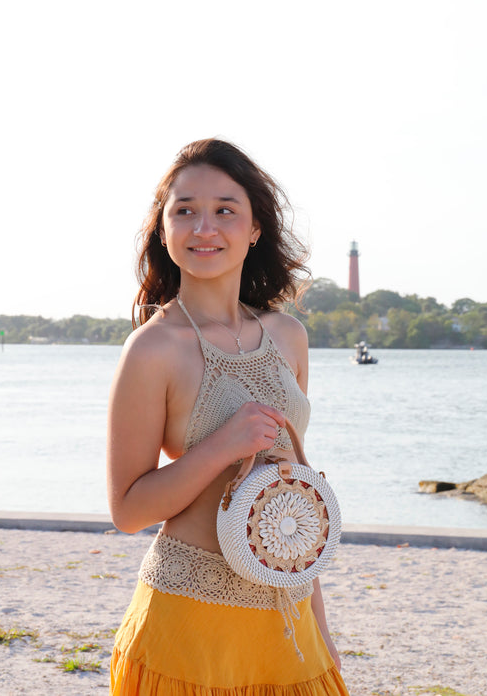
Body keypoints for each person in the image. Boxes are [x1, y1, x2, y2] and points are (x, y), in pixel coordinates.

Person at [107, 138, 349, 695]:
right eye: (185, 211)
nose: (204, 228)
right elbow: (127, 509)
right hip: (187, 628)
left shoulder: (288, 336)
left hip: (289, 628)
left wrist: (323, 632)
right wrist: (223, 445)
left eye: (225, 210)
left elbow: (293, 496)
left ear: (255, 228)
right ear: (164, 231)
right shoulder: (152, 349)